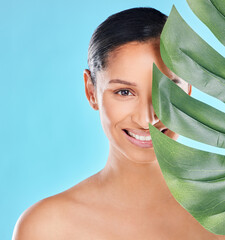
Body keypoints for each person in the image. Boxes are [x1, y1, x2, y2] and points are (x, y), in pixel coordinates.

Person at [13, 7, 225, 240]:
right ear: (91, 91)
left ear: (188, 90)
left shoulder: (220, 218)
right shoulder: (46, 228)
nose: (148, 118)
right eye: (125, 92)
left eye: (167, 89)